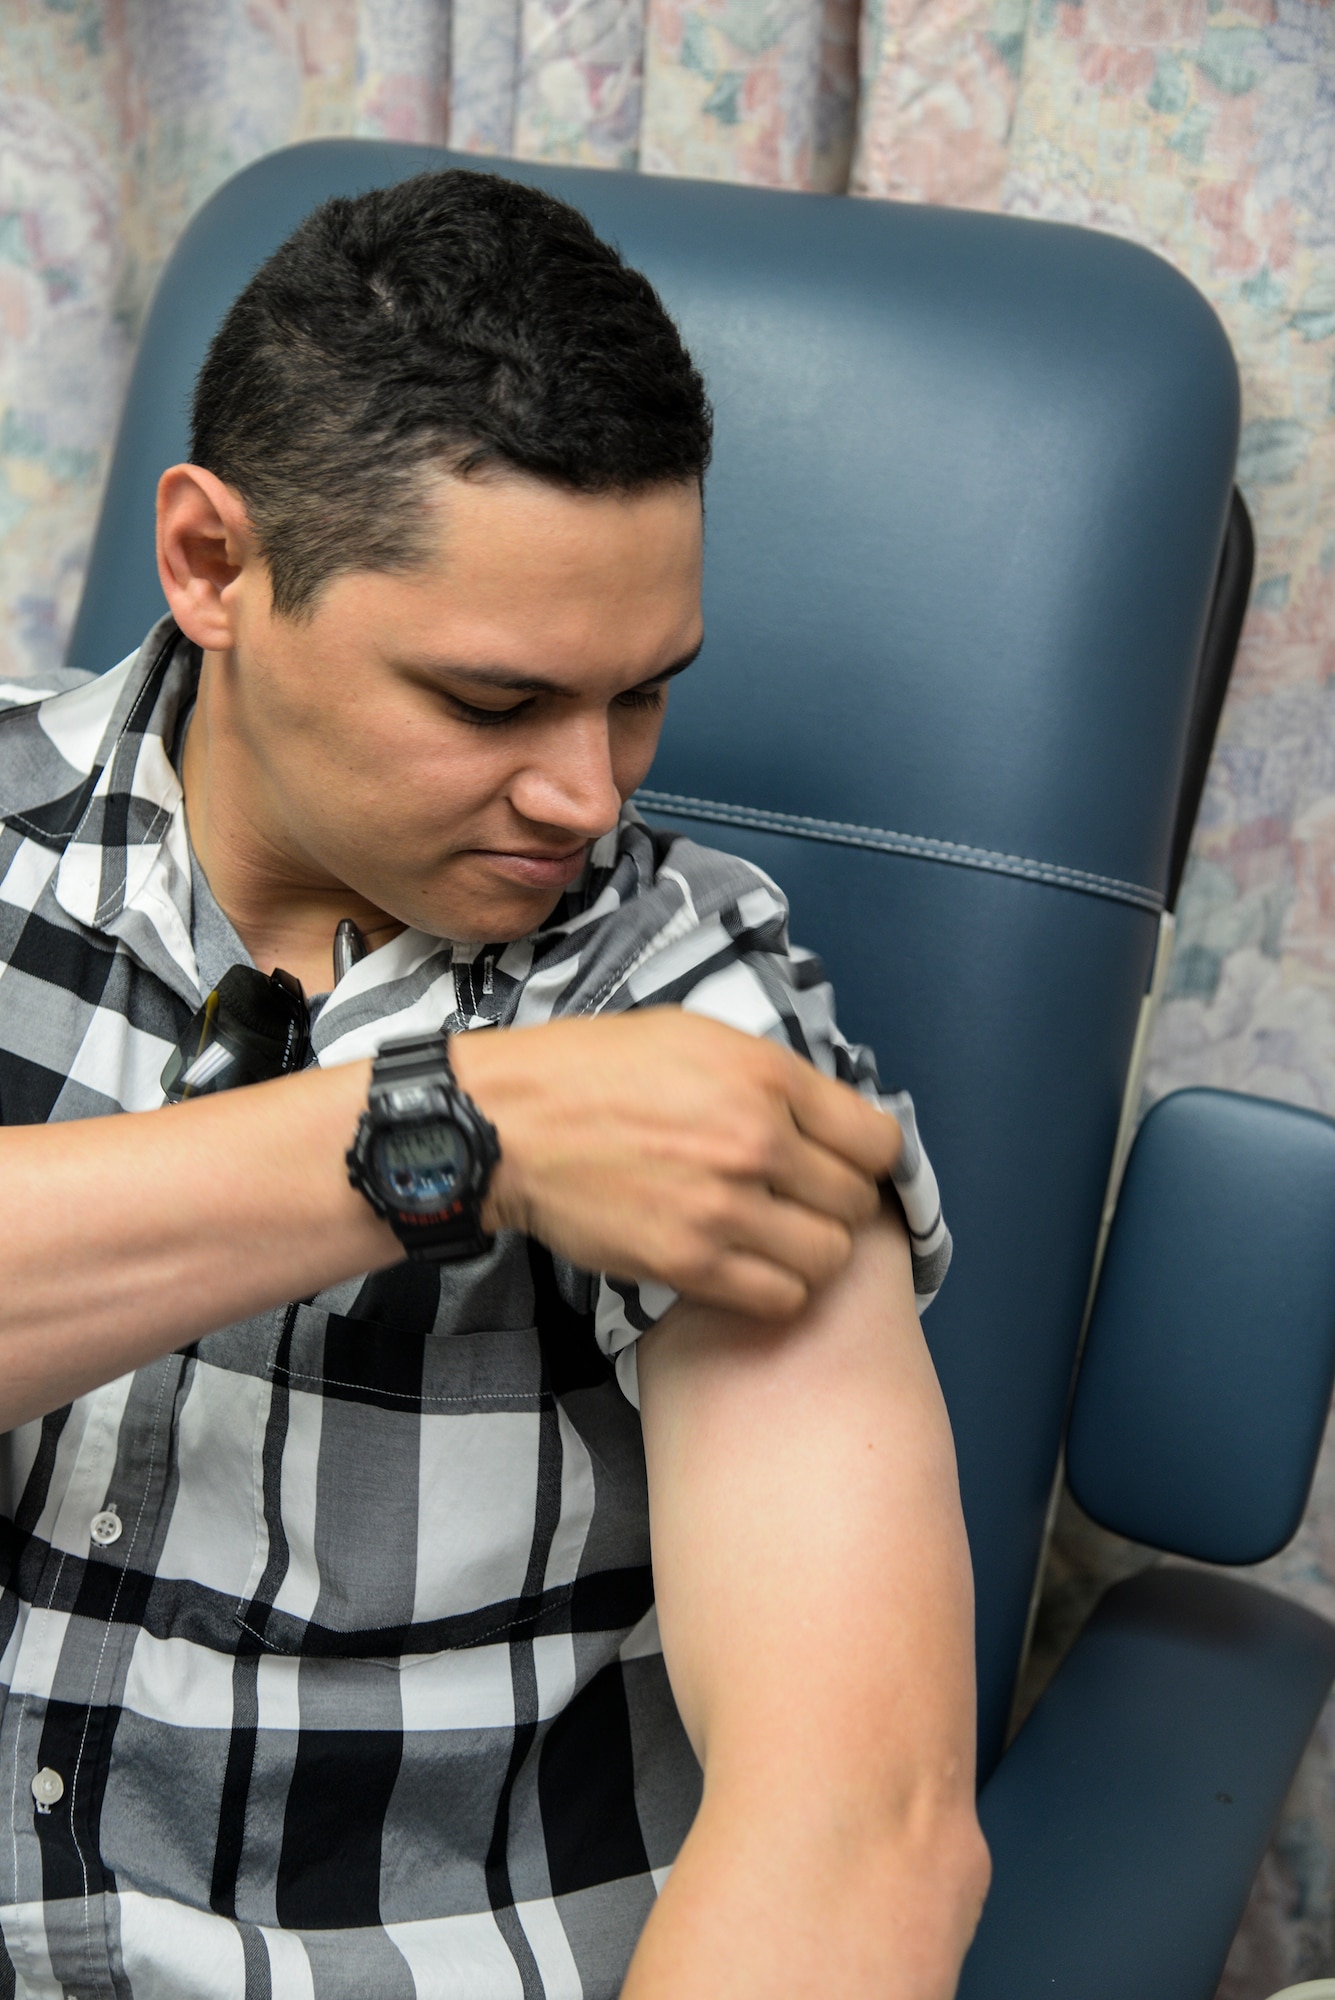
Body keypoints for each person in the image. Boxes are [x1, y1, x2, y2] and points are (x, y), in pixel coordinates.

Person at [0, 169, 987, 1998]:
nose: (591, 800)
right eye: (490, 703)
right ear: (214, 566)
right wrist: (437, 1134)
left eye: (642, 698)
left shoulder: (689, 1005)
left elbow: (865, 1822)